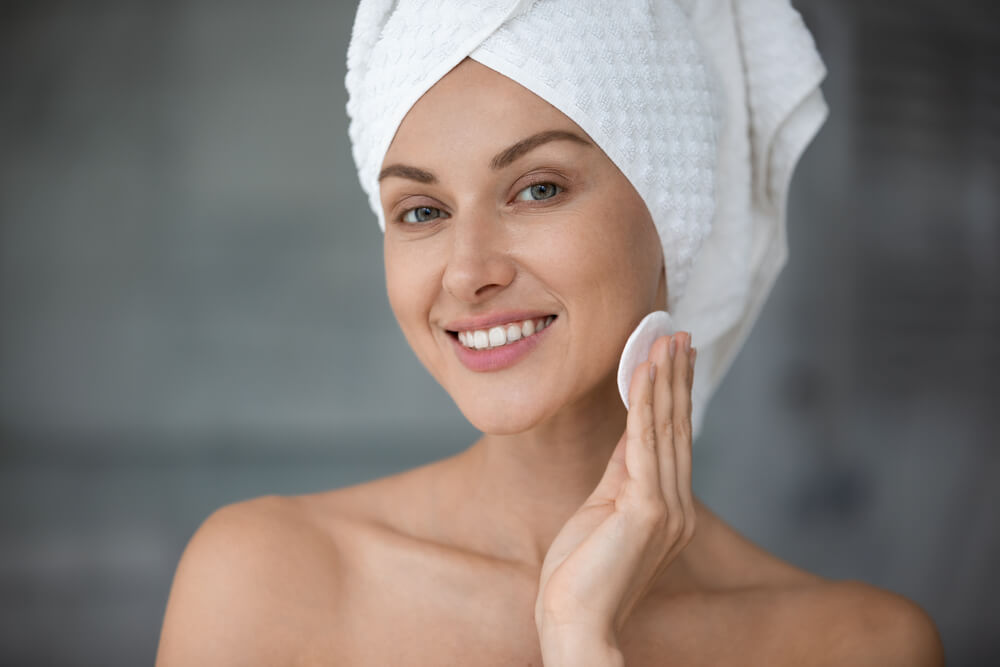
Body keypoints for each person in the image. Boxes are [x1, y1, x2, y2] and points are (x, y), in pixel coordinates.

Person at [156, 1, 945, 664]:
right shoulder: (265, 582)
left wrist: (579, 638)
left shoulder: (857, 644)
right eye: (422, 211)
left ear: (672, 210)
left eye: (537, 188)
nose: (468, 272)